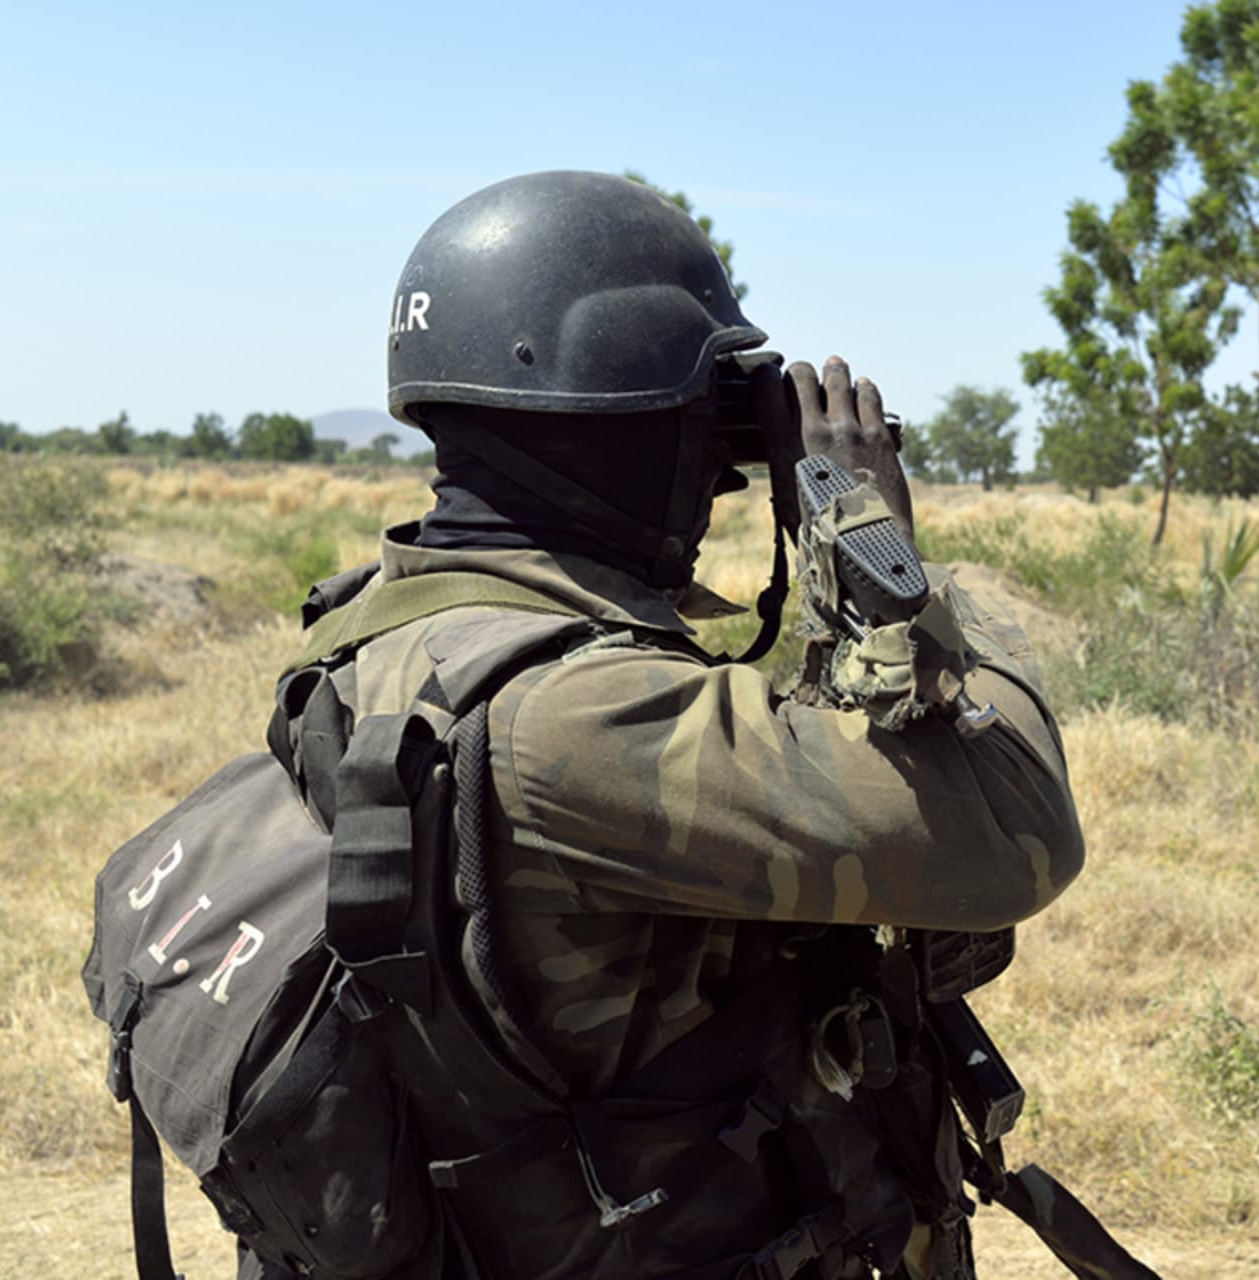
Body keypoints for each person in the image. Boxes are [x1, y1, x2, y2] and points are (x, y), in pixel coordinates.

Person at [249, 170, 1105, 1279]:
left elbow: (772, 749)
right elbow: (1008, 828)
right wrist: (887, 555)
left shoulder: (383, 631)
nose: (719, 474)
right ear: (607, 416)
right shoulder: (576, 716)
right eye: (702, 422)